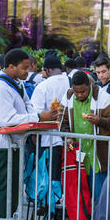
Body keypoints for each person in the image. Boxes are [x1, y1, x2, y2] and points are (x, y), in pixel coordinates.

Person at [0, 48, 58, 220]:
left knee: (4, 189)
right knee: (4, 190)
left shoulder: (17, 83)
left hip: (11, 145)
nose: (28, 71)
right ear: (11, 66)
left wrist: (38, 116)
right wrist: (39, 117)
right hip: (0, 146)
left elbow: (27, 107)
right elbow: (8, 119)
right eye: (24, 68)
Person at [60, 71, 110, 220]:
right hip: (77, 157)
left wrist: (100, 120)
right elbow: (61, 121)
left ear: (89, 86)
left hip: (98, 157)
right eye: (76, 91)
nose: (79, 95)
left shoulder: (103, 97)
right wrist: (67, 136)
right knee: (79, 196)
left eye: (82, 92)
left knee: (99, 197)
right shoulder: (68, 97)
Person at [30, 54, 69, 187]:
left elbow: (35, 113)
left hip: (48, 139)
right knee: (67, 176)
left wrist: (34, 135)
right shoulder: (71, 81)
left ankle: (48, 205)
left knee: (48, 176)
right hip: (72, 138)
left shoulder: (43, 86)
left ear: (47, 70)